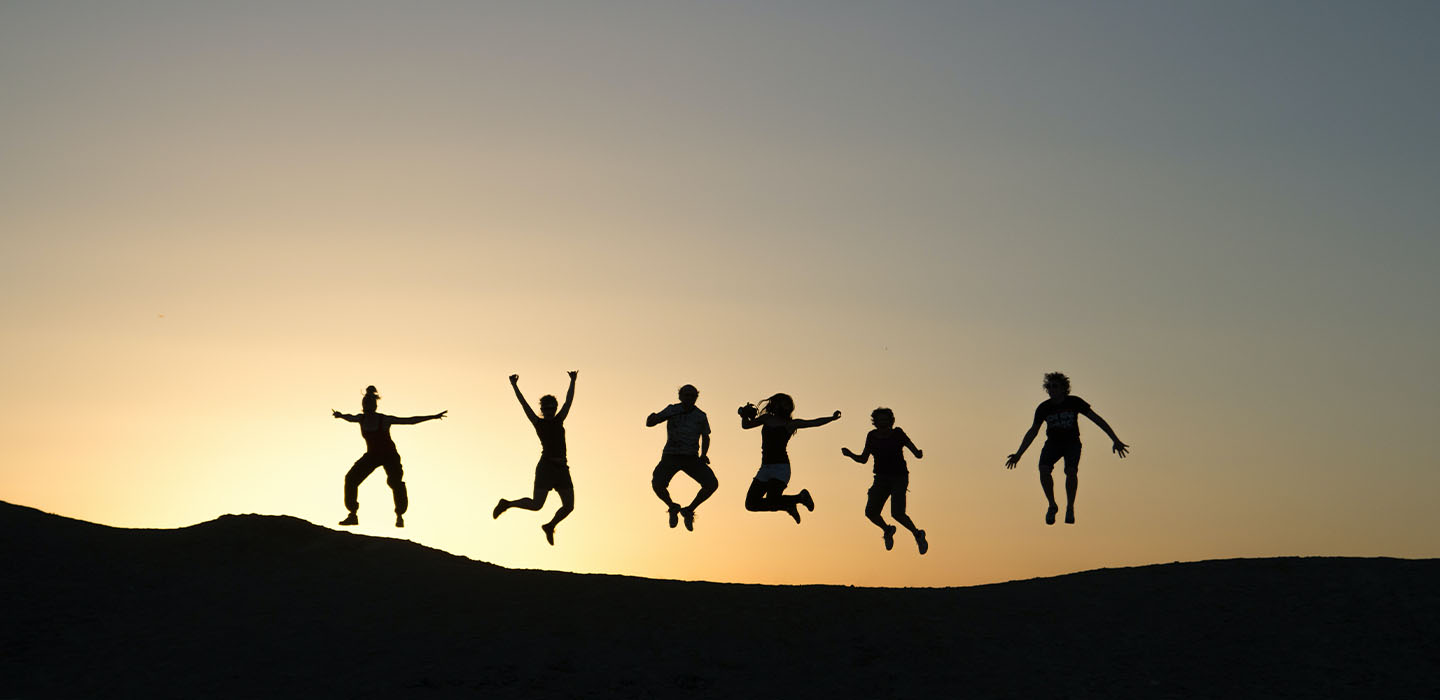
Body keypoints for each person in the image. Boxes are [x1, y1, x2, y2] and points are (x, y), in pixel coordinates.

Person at [1005, 372, 1129, 525]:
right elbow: (1033, 431)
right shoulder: (1044, 408)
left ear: (1064, 388)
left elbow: (1097, 420)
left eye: (1055, 386)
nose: (1051, 390)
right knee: (1043, 469)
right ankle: (1052, 505)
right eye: (1049, 387)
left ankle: (1070, 507)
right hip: (1053, 444)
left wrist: (1115, 439)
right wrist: (1019, 454)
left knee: (1070, 471)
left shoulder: (1074, 402)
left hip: (1071, 443)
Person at [332, 386, 446, 528]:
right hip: (372, 455)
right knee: (351, 478)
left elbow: (410, 421)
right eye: (364, 404)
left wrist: (432, 417)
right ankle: (353, 514)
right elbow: (349, 417)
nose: (366, 406)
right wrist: (340, 415)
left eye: (369, 404)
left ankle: (399, 515)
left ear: (374, 405)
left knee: (395, 482)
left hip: (390, 456)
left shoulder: (384, 420)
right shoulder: (361, 419)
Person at [494, 371, 577, 545]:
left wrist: (572, 381)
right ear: (542, 410)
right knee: (537, 505)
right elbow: (524, 405)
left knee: (569, 506)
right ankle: (507, 504)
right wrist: (514, 386)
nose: (548, 411)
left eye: (551, 408)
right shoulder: (538, 423)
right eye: (545, 409)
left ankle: (549, 526)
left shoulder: (559, 419)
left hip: (562, 469)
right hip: (546, 468)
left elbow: (569, 401)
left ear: (555, 408)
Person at [739, 393, 840, 523]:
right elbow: (746, 425)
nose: (776, 405)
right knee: (751, 504)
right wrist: (743, 415)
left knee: (772, 500)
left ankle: (797, 499)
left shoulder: (790, 424)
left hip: (781, 468)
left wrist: (831, 418)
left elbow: (814, 423)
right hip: (765, 468)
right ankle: (792, 502)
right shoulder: (766, 418)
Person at [841, 408, 928, 554]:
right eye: (880, 420)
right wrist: (850, 454)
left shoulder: (898, 434)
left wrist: (918, 453)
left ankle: (918, 534)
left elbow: (912, 448)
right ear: (875, 422)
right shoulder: (872, 436)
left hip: (899, 478)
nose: (883, 423)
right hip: (881, 479)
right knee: (870, 512)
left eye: (886, 419)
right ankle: (887, 530)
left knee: (897, 513)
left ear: (891, 421)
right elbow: (863, 459)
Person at [647, 384, 717, 531]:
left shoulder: (700, 416)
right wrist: (653, 418)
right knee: (657, 484)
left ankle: (689, 510)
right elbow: (651, 422)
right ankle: (672, 507)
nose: (689, 398)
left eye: (692, 396)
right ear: (680, 396)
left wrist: (704, 455)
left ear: (696, 398)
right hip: (671, 456)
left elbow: (706, 436)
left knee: (711, 484)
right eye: (686, 395)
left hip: (691, 458)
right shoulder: (672, 409)